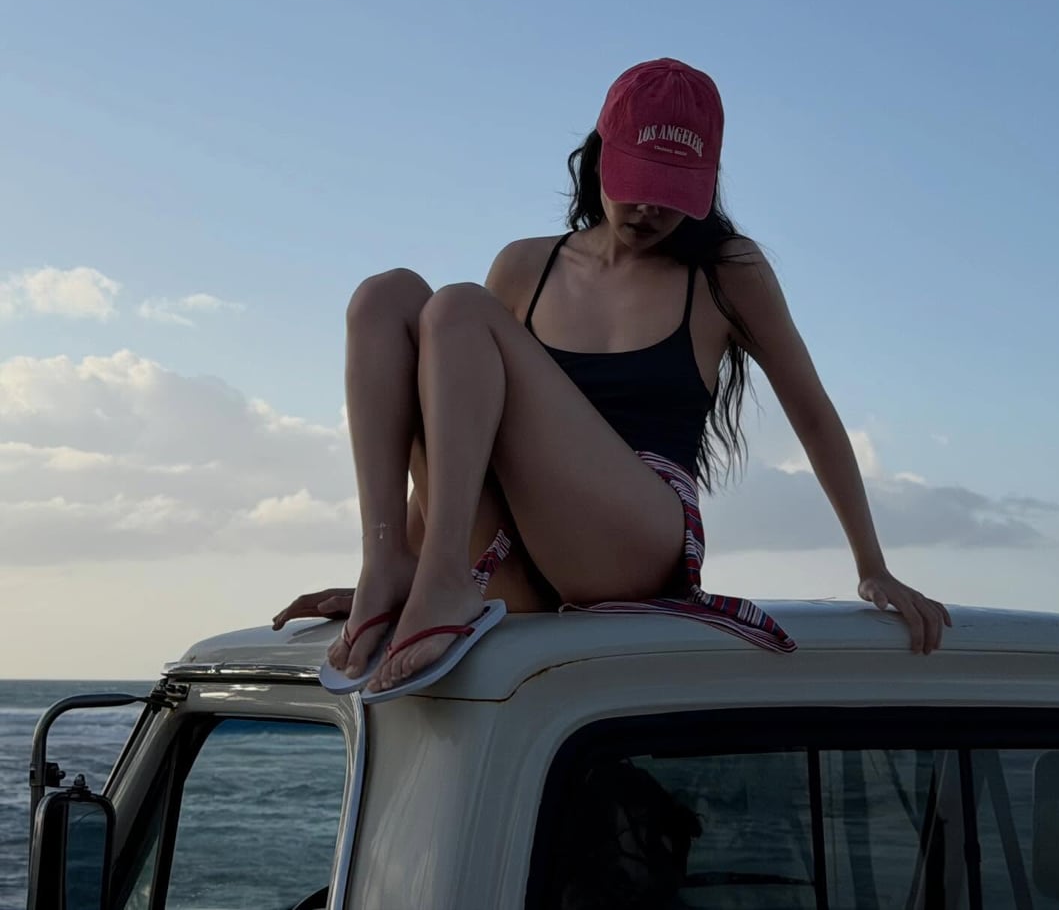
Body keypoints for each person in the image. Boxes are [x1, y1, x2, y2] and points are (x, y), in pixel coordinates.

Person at [273, 58, 949, 700]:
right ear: (599, 155)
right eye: (638, 182)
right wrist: (412, 563)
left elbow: (814, 416)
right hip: (514, 551)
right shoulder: (524, 266)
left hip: (633, 541)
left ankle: (442, 578)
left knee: (457, 308)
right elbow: (460, 429)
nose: (649, 209)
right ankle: (390, 566)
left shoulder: (726, 272)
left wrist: (873, 567)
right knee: (386, 297)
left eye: (670, 192)